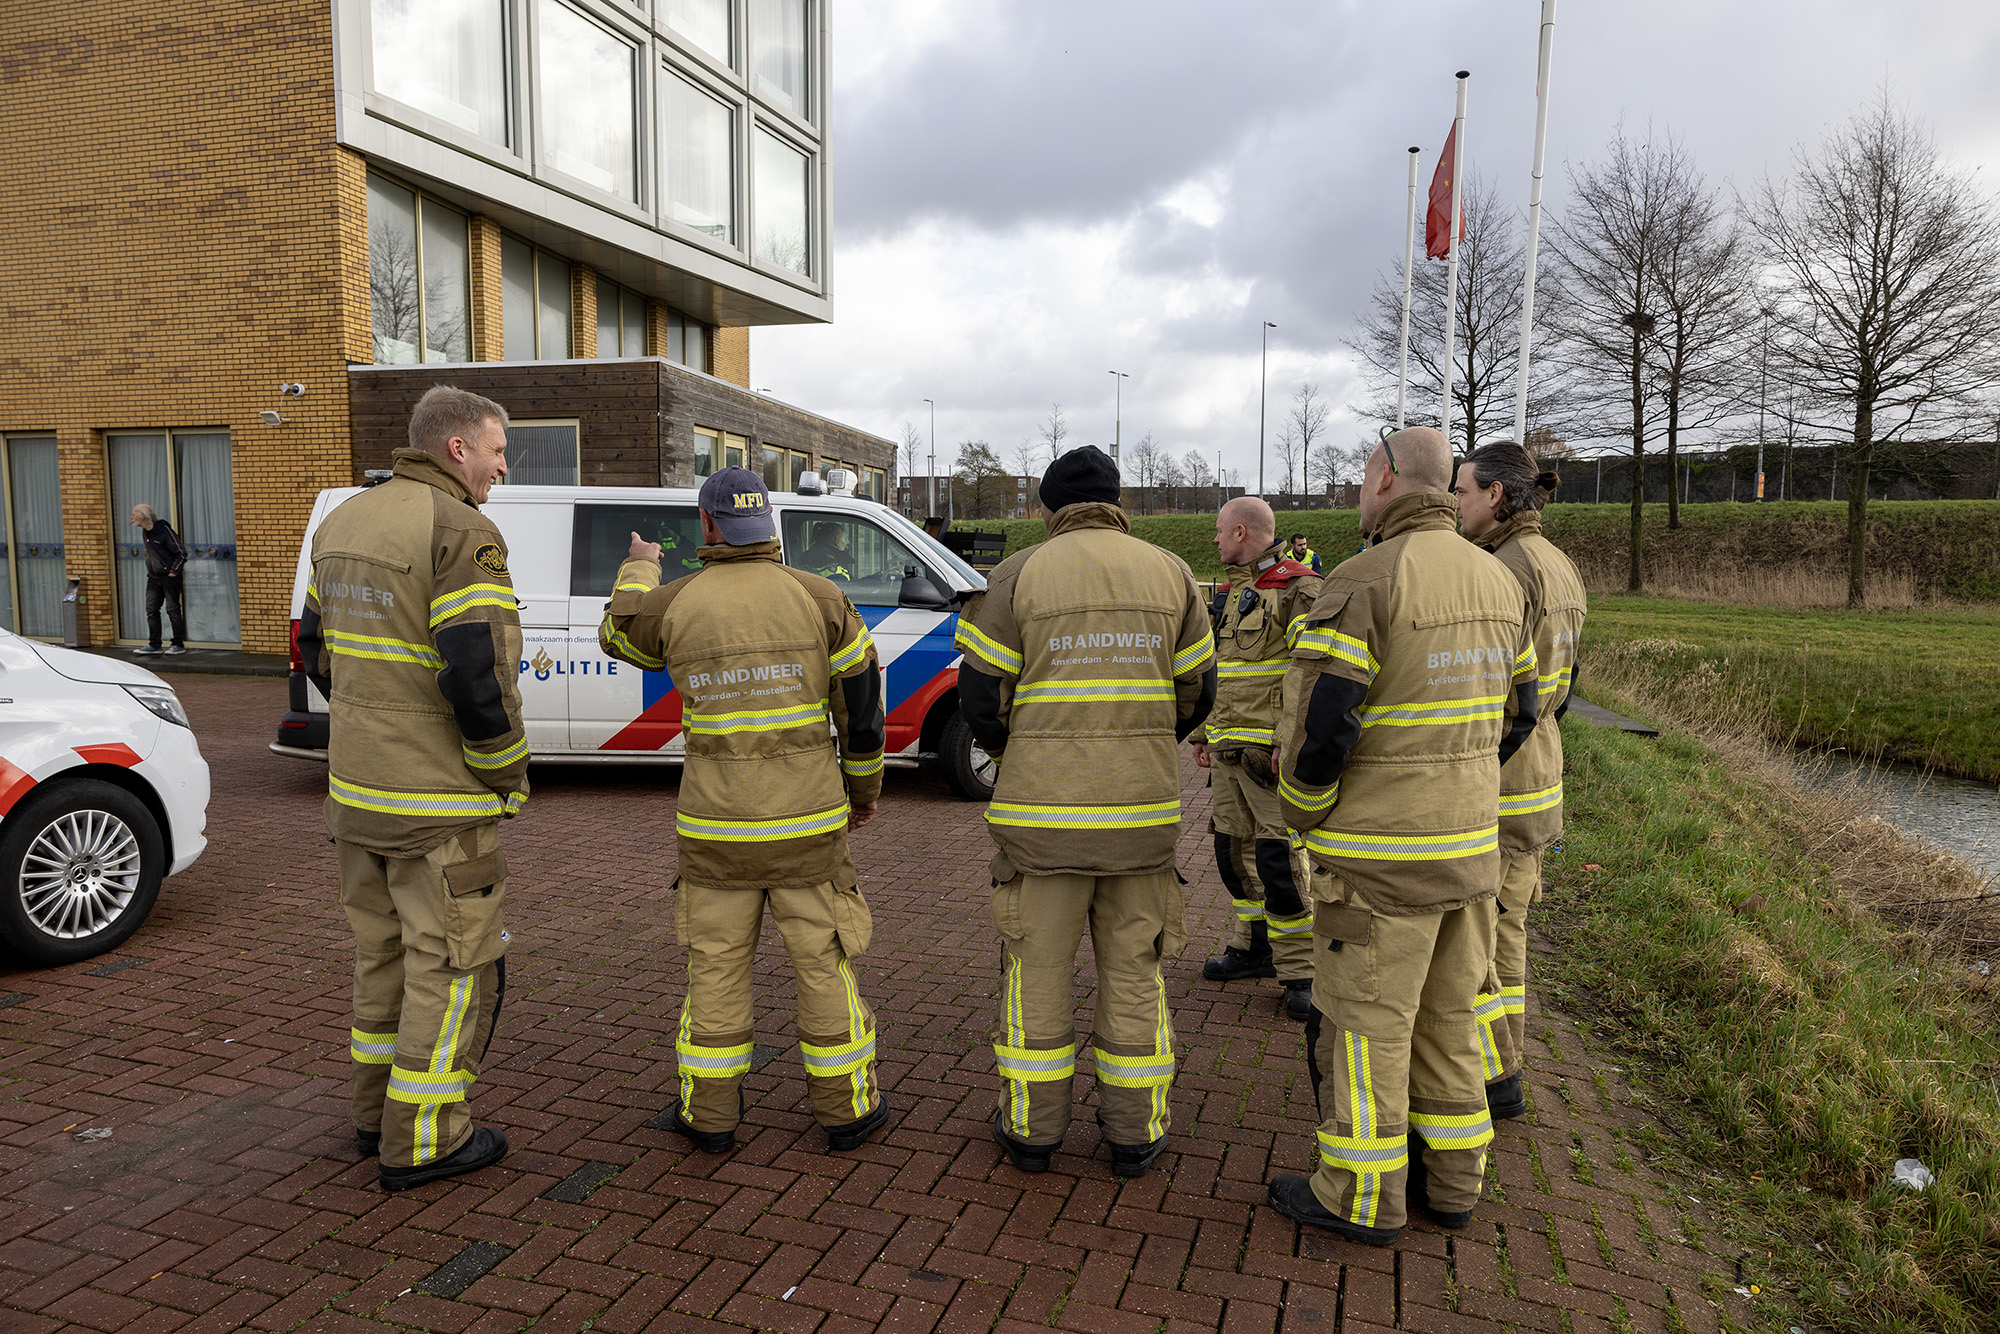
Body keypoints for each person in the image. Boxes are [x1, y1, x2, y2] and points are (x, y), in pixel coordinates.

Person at [1264, 426, 1539, 1246]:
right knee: (1452, 1018)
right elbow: (1522, 713)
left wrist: (1301, 814)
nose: (1358, 492)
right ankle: (1454, 1185)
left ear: (1385, 479)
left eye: (1360, 477)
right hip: (1469, 850)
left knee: (1364, 1028)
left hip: (1379, 867)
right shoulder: (1497, 580)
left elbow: (1323, 727)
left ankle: (1357, 1194)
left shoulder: (1363, 579)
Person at [599, 467, 889, 1155]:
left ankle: (711, 1116)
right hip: (811, 827)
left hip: (715, 832)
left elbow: (618, 635)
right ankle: (847, 1110)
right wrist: (863, 792)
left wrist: (640, 568)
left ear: (707, 526)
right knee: (823, 963)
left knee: (717, 969)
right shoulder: (822, 598)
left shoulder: (675, 602)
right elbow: (864, 711)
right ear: (771, 527)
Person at [954, 446, 1216, 1179]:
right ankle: (1134, 1134)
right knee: (1135, 971)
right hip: (1142, 820)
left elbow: (981, 701)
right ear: (1118, 502)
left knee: (1036, 972)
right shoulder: (1173, 573)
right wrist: (1148, 744)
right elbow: (1199, 691)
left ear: (1047, 509)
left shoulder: (1016, 576)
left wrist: (1025, 752)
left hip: (1042, 823)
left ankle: (1033, 1133)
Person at [297, 384, 529, 1191]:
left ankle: (374, 1116)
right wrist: (506, 773)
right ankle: (426, 1136)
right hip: (437, 804)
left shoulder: (342, 522)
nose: (503, 467)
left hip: (358, 792)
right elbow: (477, 673)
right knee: (453, 965)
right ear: (457, 448)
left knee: (382, 957)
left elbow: (318, 654)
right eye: (497, 450)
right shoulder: (463, 530)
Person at [1452, 441, 1586, 1120]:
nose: (1456, 504)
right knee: (1510, 933)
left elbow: (1505, 695)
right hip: (1542, 774)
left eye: (1464, 492)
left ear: (1496, 495)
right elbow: (1566, 687)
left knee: (1476, 938)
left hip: (1501, 777)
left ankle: (1493, 1074)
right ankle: (1506, 1066)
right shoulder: (1561, 565)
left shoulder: (1505, 570)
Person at [1191, 498, 1322, 1021]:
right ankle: (1254, 949)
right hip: (1227, 752)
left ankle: (1302, 971)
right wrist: (1203, 732)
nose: (1215, 540)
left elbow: (1309, 679)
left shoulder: (1299, 590)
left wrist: (1287, 748)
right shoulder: (1237, 589)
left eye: (1220, 531)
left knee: (1280, 865)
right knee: (1231, 856)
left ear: (1241, 531)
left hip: (1266, 759)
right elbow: (1223, 668)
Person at [129, 504, 188, 655]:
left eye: (134, 514)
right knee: (151, 610)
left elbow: (181, 553)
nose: (132, 517)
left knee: (172, 610)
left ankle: (178, 644)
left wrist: (174, 572)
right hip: (153, 578)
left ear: (143, 516)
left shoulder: (164, 531)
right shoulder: (145, 532)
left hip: (169, 577)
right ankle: (154, 644)